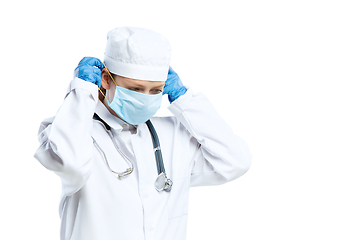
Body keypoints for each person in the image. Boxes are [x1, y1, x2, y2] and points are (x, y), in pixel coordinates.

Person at [34, 26, 252, 240]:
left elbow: (235, 161)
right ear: (106, 79)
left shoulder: (173, 134)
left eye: (156, 90)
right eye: (136, 89)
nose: (146, 98)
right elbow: (69, 163)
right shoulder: (74, 131)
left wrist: (184, 99)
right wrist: (81, 92)